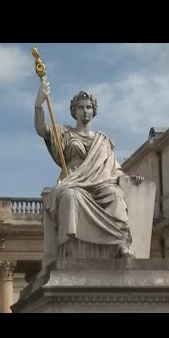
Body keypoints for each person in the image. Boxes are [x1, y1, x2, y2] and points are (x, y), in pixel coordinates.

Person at [34, 76, 143, 270]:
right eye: (81, 107)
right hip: (75, 182)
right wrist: (39, 104)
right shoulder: (65, 134)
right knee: (69, 196)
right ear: (74, 111)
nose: (85, 111)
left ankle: (120, 244)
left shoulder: (103, 140)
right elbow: (42, 129)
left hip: (101, 183)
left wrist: (127, 178)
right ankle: (68, 248)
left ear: (94, 111)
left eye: (89, 107)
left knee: (116, 194)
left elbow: (114, 168)